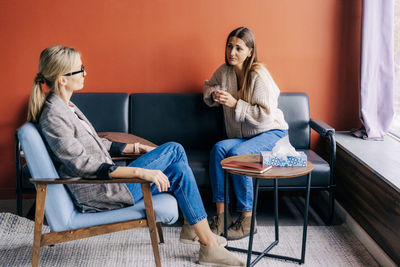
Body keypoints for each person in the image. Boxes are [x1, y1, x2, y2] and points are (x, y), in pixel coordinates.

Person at [27, 45, 245, 267]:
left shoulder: (67, 107)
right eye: (80, 69)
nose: (85, 73)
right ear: (62, 79)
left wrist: (136, 148)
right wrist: (141, 172)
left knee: (178, 170)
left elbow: (95, 144)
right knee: (175, 149)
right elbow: (81, 164)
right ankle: (200, 234)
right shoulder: (54, 115)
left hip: (108, 184)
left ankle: (201, 235)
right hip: (102, 191)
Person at [203, 27, 289, 240]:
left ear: (250, 51)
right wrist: (214, 94)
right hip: (246, 136)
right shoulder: (224, 71)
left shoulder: (259, 75)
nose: (232, 52)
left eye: (239, 48)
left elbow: (266, 116)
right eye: (230, 46)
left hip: (271, 132)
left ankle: (248, 219)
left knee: (239, 153)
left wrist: (235, 103)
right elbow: (207, 87)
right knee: (218, 149)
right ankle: (222, 216)